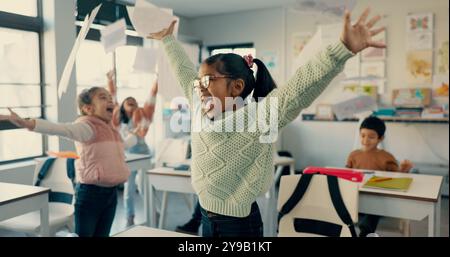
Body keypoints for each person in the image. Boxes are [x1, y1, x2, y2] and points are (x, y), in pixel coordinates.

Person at [147, 7, 386, 237]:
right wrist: (168, 40)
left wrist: (342, 49)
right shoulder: (200, 105)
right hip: (207, 218)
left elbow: (299, 87)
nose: (199, 86)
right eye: (200, 81)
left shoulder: (258, 117)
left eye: (208, 79)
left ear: (237, 86)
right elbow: (183, 71)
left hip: (238, 225)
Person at [0, 87, 139, 237]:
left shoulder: (111, 131)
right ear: (88, 108)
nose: (110, 100)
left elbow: (123, 145)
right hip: (91, 195)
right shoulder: (86, 127)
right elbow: (59, 128)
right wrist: (27, 123)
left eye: (109, 97)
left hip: (111, 195)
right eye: (102, 97)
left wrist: (136, 135)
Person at [106, 71, 158, 227]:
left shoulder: (143, 115)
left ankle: (154, 210)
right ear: (122, 105)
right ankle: (130, 216)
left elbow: (152, 95)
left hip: (143, 155)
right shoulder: (116, 117)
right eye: (128, 101)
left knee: (145, 186)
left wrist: (157, 79)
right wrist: (110, 80)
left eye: (134, 101)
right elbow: (112, 96)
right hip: (127, 157)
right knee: (129, 188)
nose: (131, 102)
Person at [346, 116, 413, 237]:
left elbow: (397, 178)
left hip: (379, 203)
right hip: (356, 199)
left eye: (371, 137)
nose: (366, 140)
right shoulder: (353, 155)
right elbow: (346, 175)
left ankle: (365, 233)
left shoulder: (387, 157)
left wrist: (404, 170)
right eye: (363, 135)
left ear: (380, 138)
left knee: (372, 211)